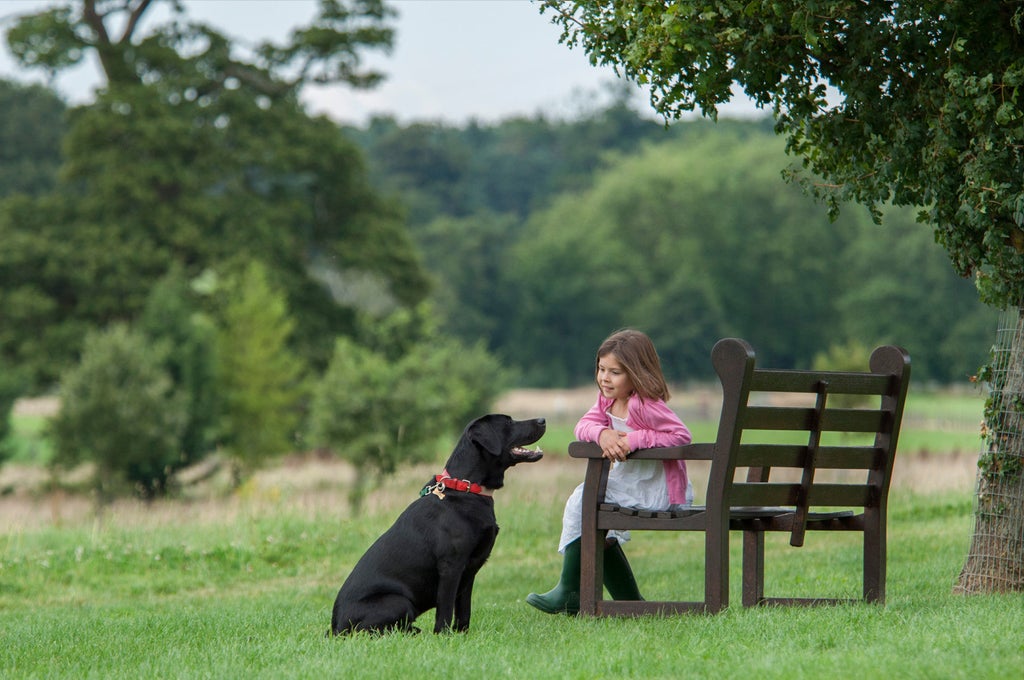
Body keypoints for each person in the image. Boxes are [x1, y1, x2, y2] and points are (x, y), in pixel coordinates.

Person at [526, 328, 692, 614]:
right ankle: (630, 603)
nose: (604, 377)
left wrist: (636, 440)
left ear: (637, 374)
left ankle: (569, 591)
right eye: (601, 369)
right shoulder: (606, 402)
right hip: (628, 484)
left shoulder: (646, 404)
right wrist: (602, 434)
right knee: (585, 505)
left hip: (656, 488)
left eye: (615, 372)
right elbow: (582, 426)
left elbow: (681, 435)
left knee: (584, 501)